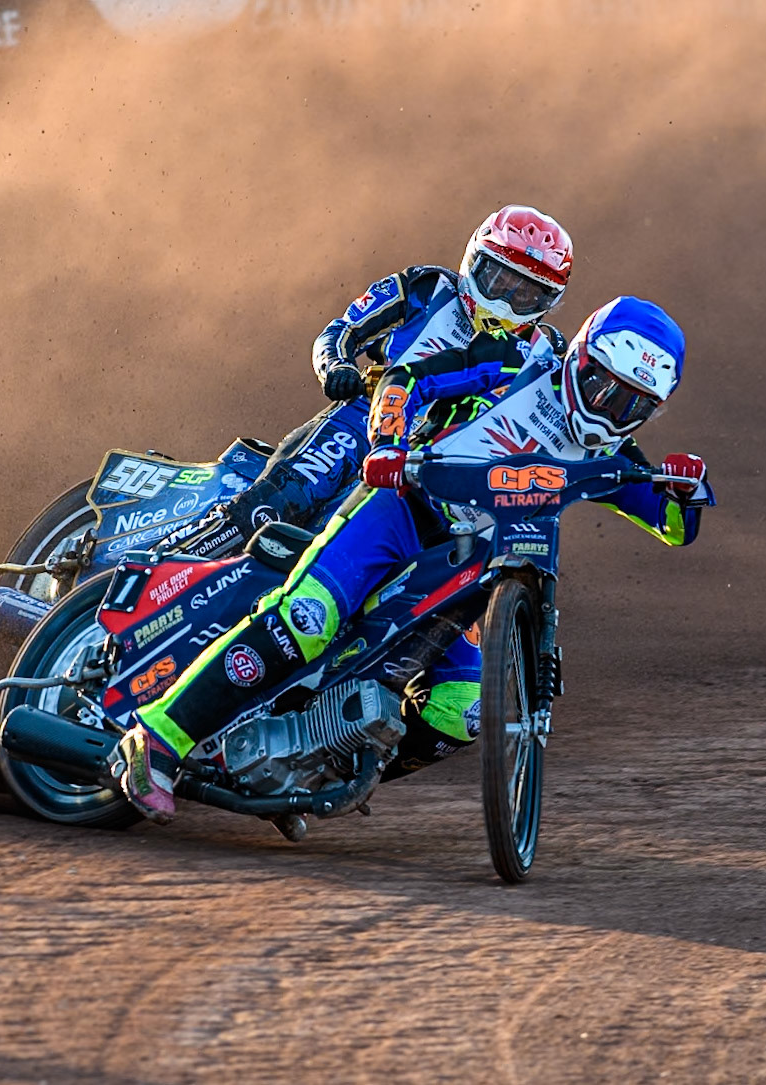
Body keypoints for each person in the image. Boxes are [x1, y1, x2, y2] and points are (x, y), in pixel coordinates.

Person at [117, 296, 714, 823]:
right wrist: (387, 445)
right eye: (603, 384)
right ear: (579, 356)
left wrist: (685, 490)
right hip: (400, 508)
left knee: (466, 712)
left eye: (632, 405)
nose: (609, 409)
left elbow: (672, 524)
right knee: (306, 618)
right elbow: (406, 378)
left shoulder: (614, 452)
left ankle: (324, 769)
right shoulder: (514, 363)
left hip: (466, 570)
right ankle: (160, 737)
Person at [179, 206, 574, 754]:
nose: (506, 300)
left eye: (525, 293)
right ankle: (164, 572)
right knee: (272, 509)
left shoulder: (546, 354)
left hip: (439, 487)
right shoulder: (425, 286)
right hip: (362, 425)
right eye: (497, 278)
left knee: (466, 708)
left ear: (548, 302)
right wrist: (336, 365)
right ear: (473, 260)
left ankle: (329, 752)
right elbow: (338, 331)